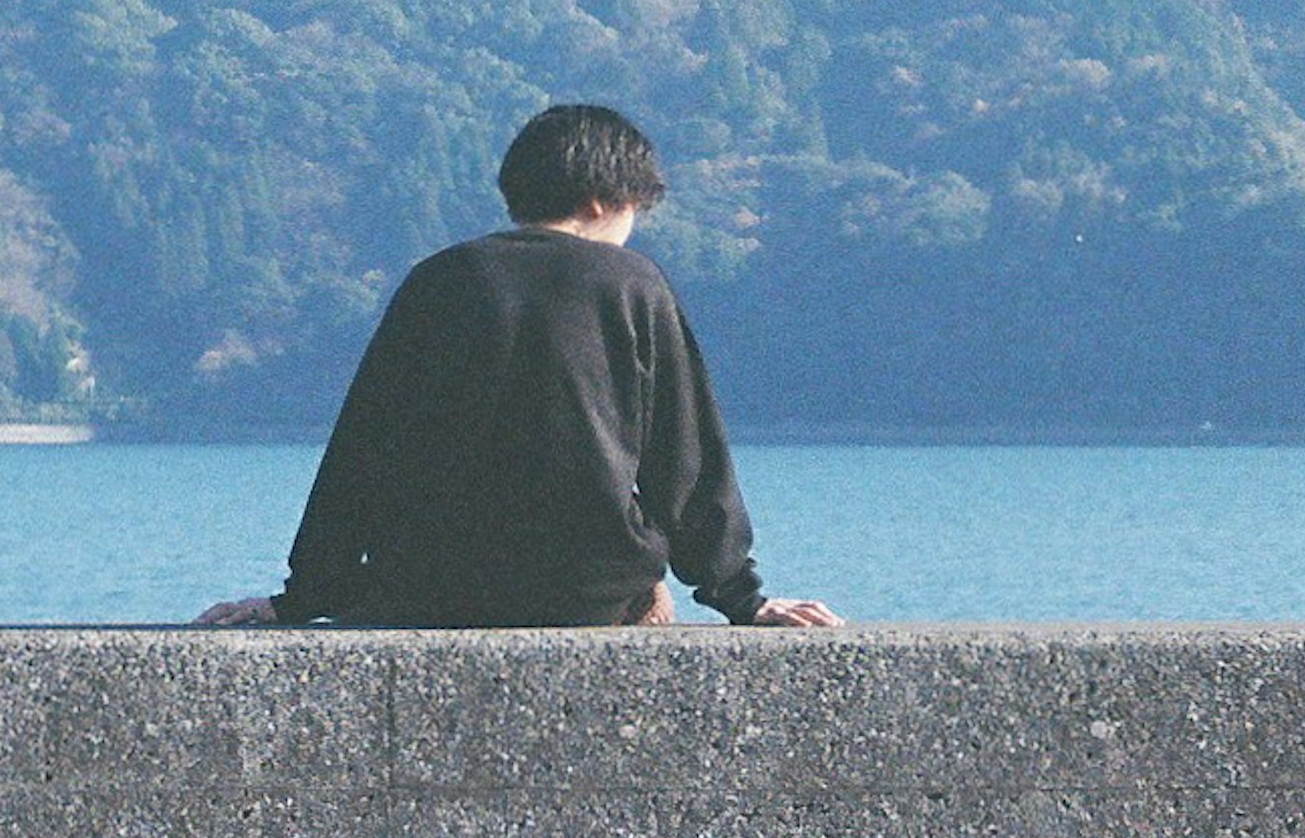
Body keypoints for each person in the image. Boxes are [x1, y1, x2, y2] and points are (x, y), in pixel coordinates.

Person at [197, 103, 840, 631]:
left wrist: (303, 596)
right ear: (598, 202)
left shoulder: (439, 281)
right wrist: (742, 600)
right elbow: (685, 461)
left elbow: (363, 452)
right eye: (633, 213)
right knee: (644, 607)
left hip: (426, 590)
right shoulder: (631, 285)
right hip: (589, 593)